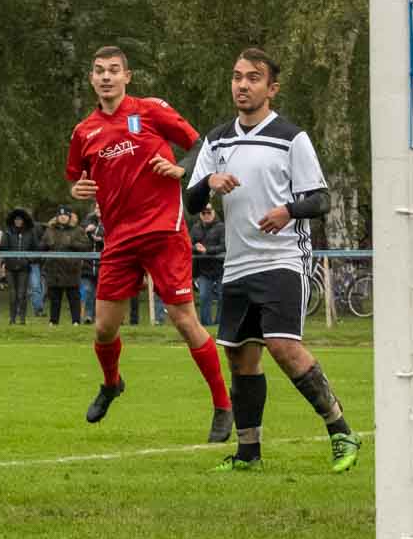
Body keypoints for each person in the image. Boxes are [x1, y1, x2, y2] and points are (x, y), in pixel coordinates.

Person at [184, 47, 359, 473]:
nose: (242, 85)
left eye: (253, 78)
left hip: (283, 257)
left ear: (271, 88)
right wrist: (209, 180)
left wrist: (287, 211)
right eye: (237, 76)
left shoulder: (290, 137)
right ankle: (248, 454)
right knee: (242, 356)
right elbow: (191, 201)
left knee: (282, 345)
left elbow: (319, 199)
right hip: (238, 263)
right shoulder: (217, 139)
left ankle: (341, 431)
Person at [66, 45, 233, 443]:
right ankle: (111, 384)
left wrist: (180, 169)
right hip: (119, 239)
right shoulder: (84, 131)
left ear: (127, 76)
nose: (106, 77)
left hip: (163, 231)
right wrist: (78, 189)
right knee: (104, 329)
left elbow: (200, 147)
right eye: (99, 71)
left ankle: (223, 406)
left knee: (184, 321)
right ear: (92, 79)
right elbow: (76, 177)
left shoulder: (150, 110)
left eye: (113, 70)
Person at [42, 205, 88, 325]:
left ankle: (76, 321)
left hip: (71, 270)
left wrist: (72, 244)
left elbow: (86, 246)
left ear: (69, 217)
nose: (63, 217)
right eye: (60, 215)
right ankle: (53, 321)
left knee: (74, 297)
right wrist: (45, 245)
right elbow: (42, 245)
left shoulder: (77, 230)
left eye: (65, 215)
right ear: (57, 217)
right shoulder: (50, 230)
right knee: (55, 298)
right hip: (54, 269)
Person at [1, 208, 41, 324]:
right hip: (10, 267)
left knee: (22, 294)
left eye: (20, 219)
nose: (18, 221)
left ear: (24, 221)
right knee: (12, 294)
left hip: (24, 267)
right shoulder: (7, 232)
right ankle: (12, 319)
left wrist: (28, 260)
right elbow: (3, 248)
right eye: (16, 219)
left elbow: (36, 249)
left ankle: (22, 319)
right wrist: (6, 259)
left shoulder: (30, 232)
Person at [189, 205, 226, 326]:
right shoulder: (195, 228)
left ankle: (220, 324)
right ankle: (207, 325)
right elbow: (188, 244)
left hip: (221, 269)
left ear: (214, 213)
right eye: (203, 213)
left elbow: (224, 245)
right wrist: (196, 248)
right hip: (204, 270)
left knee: (222, 297)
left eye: (208, 212)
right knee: (204, 297)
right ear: (200, 214)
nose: (206, 215)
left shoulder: (221, 227)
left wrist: (207, 250)